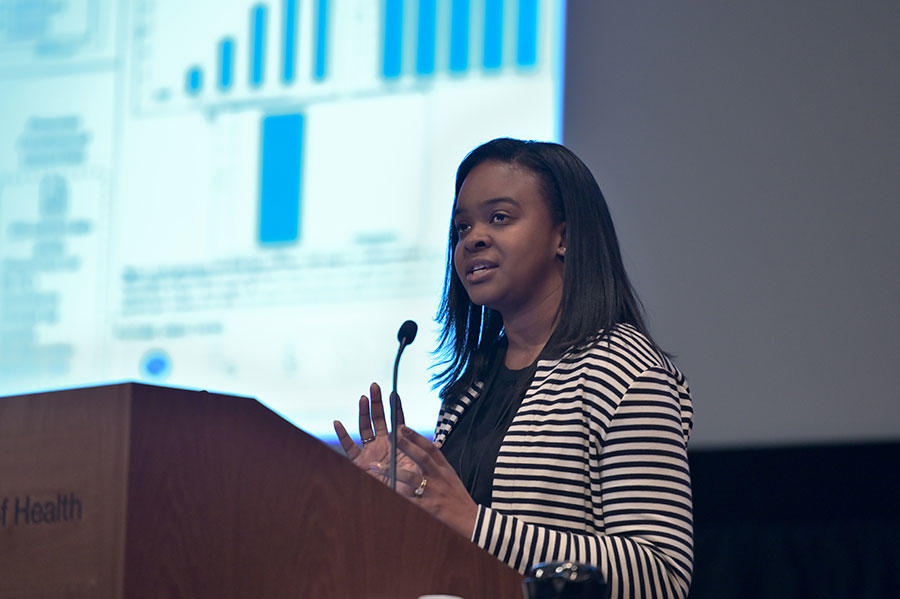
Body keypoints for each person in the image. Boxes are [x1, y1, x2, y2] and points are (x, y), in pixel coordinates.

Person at [334, 138, 693, 599]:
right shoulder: (469, 388)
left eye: (499, 218)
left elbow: (660, 576)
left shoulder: (625, 371)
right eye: (462, 227)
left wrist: (470, 521)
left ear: (562, 237)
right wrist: (396, 500)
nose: (473, 238)